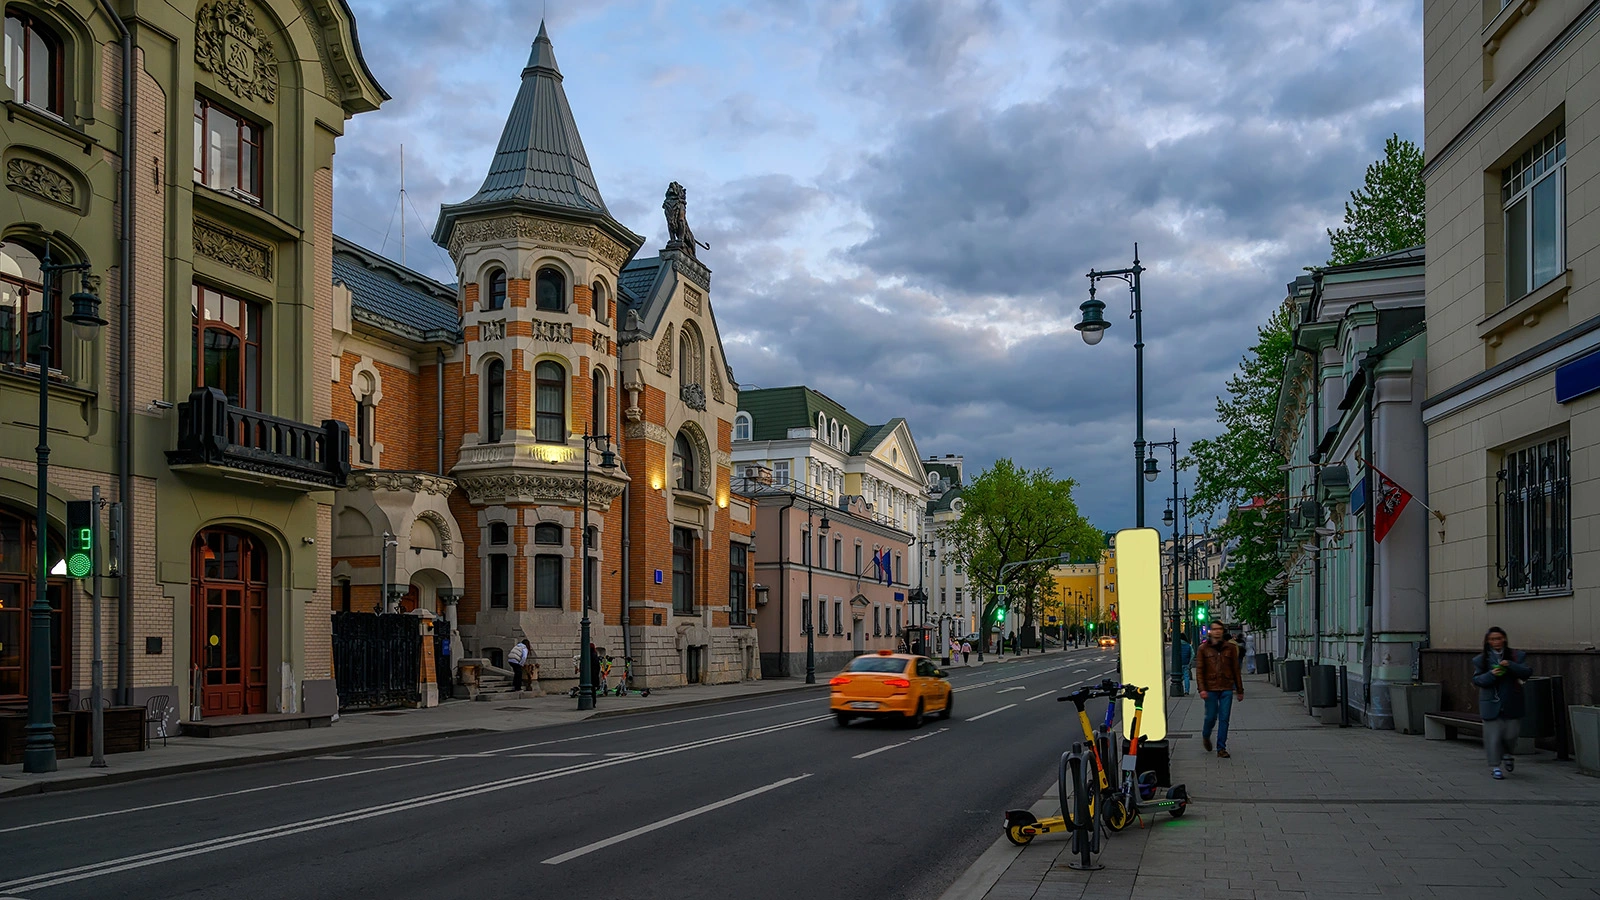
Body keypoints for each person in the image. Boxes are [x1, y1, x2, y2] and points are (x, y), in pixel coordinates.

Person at [1472, 626, 1532, 779]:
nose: (1496, 642)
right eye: (1492, 639)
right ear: (1488, 641)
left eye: (1498, 638)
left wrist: (1510, 665)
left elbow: (1526, 672)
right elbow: (1477, 680)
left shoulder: (1517, 655)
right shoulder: (1481, 659)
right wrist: (1492, 674)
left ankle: (1507, 754)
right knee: (1493, 737)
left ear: (1504, 639)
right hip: (1491, 703)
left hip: (1512, 701)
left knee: (1511, 735)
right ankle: (1495, 767)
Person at [1196, 622, 1244, 758]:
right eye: (1215, 629)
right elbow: (1200, 670)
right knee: (1211, 716)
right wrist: (1202, 689)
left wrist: (1240, 690)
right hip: (1210, 688)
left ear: (1222, 631)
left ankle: (1221, 748)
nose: (1217, 632)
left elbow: (1236, 670)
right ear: (1210, 632)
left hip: (1226, 687)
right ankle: (1206, 735)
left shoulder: (1230, 648)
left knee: (1224, 718)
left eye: (1220, 629)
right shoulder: (1203, 649)